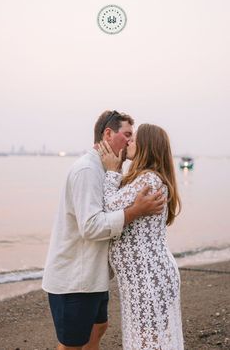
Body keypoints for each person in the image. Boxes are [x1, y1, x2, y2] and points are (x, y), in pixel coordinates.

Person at [42, 111, 165, 350]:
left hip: (93, 275)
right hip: (74, 278)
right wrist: (135, 211)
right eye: (127, 135)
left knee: (99, 328)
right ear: (108, 134)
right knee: (72, 344)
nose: (130, 142)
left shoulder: (107, 170)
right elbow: (90, 227)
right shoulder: (87, 170)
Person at [98, 123, 184, 350]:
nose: (128, 142)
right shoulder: (146, 179)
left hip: (148, 276)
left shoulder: (149, 180)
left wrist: (112, 172)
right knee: (148, 340)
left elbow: (109, 207)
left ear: (147, 146)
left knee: (147, 342)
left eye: (134, 140)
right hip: (144, 276)